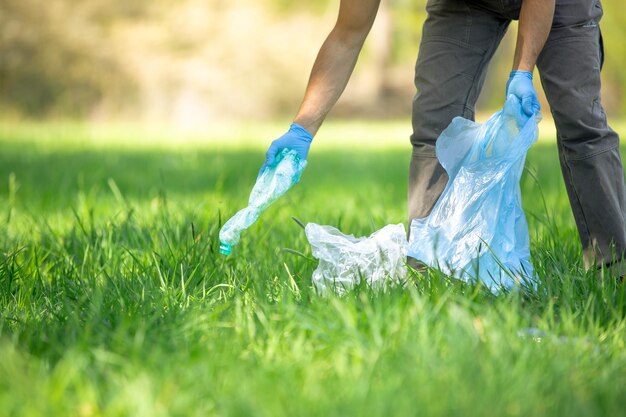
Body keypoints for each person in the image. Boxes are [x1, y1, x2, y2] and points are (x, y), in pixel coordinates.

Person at [259, 0, 626, 276]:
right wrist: (301, 129)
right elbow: (347, 35)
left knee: (581, 120)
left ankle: (615, 269)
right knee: (434, 127)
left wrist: (521, 72)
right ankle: (430, 271)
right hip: (465, 3)